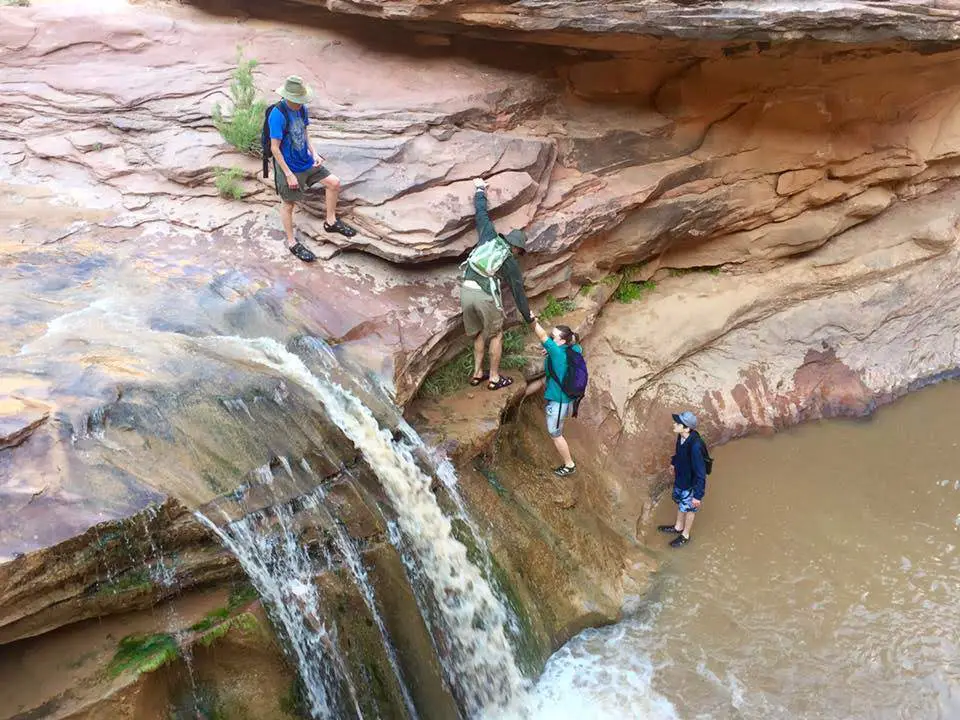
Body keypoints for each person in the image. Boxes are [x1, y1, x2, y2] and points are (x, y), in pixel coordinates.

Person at [269, 75, 356, 263]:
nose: (301, 103)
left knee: (334, 183)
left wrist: (314, 153)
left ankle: (330, 222)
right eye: (298, 100)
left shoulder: (302, 109)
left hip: (306, 160)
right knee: (288, 204)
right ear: (289, 97)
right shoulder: (277, 114)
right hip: (289, 166)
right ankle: (292, 242)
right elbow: (274, 148)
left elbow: (305, 132)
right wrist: (288, 174)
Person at [461, 177, 534, 391]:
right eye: (520, 252)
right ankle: (493, 377)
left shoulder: (489, 235)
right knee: (496, 334)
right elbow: (518, 291)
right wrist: (528, 316)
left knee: (479, 333)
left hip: (466, 289)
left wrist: (480, 189)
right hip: (484, 295)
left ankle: (476, 374)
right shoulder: (509, 261)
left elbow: (481, 213)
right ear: (517, 249)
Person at [529, 320, 582, 477]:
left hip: (559, 401)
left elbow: (542, 334)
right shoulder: (574, 349)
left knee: (555, 434)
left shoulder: (557, 352)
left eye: (554, 336)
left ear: (562, 341)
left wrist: (532, 320)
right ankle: (523, 396)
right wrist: (551, 350)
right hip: (563, 390)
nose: (551, 338)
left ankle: (569, 465)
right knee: (541, 382)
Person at [659, 411, 707, 547]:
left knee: (690, 508)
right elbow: (678, 452)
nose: (674, 424)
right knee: (681, 503)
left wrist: (698, 496)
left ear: (687, 428)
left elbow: (701, 473)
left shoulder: (696, 447)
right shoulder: (681, 436)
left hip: (690, 484)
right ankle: (678, 526)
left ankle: (685, 535)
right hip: (681, 479)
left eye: (677, 423)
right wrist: (673, 463)